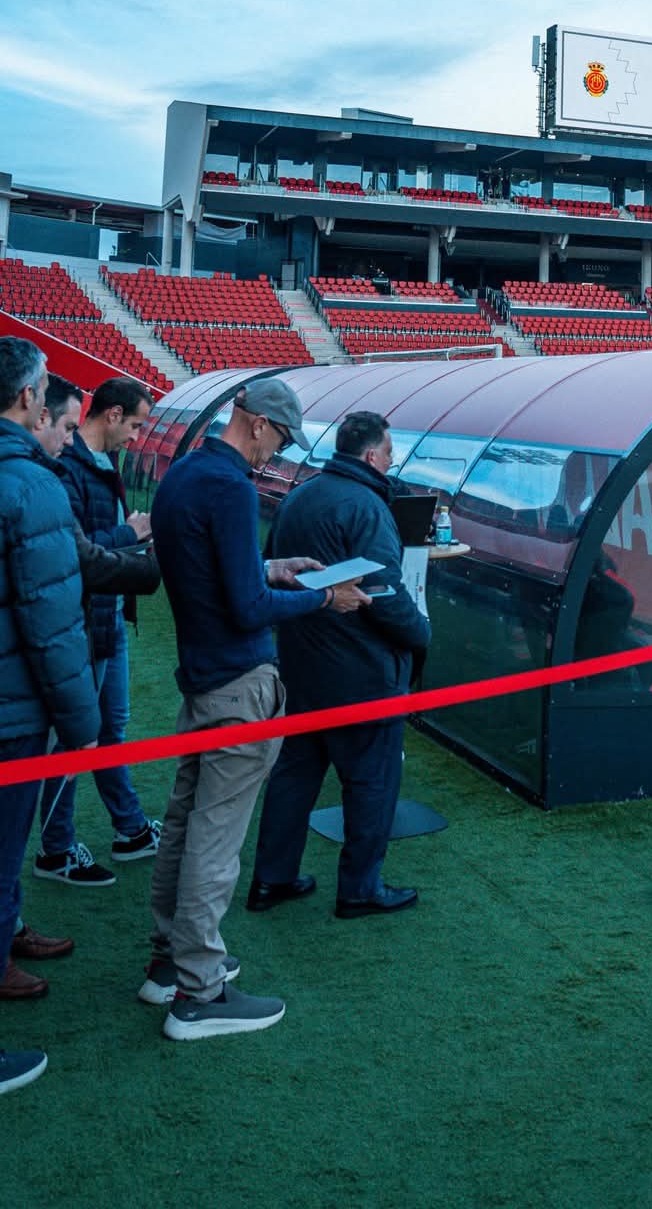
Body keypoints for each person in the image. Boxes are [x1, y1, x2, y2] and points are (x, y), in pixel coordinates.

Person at [146, 376, 370, 1040]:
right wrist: (325, 598)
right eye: (278, 438)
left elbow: (213, 573)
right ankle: (199, 992)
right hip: (237, 684)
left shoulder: (185, 473)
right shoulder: (231, 486)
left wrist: (274, 567)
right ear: (257, 423)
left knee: (184, 825)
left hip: (201, 679)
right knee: (214, 841)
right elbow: (246, 608)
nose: (275, 453)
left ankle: (169, 964)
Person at [248, 412, 429, 919]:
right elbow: (384, 595)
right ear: (371, 455)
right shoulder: (367, 507)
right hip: (361, 673)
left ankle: (272, 879)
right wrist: (421, 634)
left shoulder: (301, 494)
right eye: (389, 453)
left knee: (295, 773)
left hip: (302, 665)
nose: (392, 461)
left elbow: (271, 567)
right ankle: (359, 890)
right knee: (371, 780)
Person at [0, 339, 101, 1096]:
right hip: (11, 715)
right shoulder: (29, 482)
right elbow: (50, 619)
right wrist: (82, 722)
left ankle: (9, 933)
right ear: (30, 397)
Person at [36, 378, 161, 885]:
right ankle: (56, 850)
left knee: (109, 730)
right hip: (83, 623)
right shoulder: (67, 464)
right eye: (134, 424)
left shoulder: (102, 460)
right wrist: (131, 534)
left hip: (107, 617)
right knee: (76, 736)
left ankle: (129, 829)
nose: (137, 436)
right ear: (111, 415)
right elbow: (77, 551)